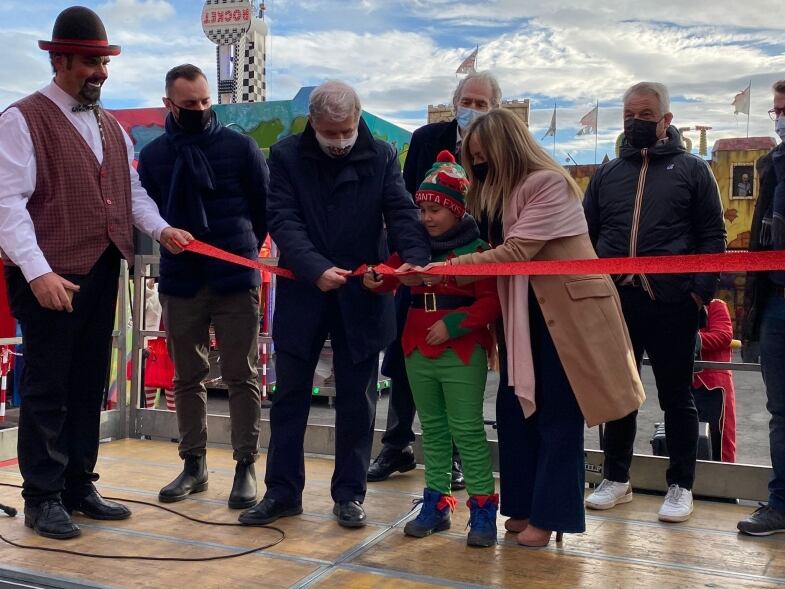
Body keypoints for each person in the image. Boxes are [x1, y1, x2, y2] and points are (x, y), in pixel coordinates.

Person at [0, 6, 192, 539]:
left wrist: (163, 229)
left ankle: (78, 485)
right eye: (90, 62)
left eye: (104, 63)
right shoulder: (21, 119)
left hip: (102, 268)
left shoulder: (110, 126)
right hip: (50, 273)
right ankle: (42, 496)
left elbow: (130, 193)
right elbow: (7, 205)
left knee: (88, 382)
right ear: (60, 61)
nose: (100, 73)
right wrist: (37, 272)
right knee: (47, 386)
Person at [424, 108, 645, 547]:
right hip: (522, 313)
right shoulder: (497, 193)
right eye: (474, 158)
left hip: (567, 315)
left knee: (558, 415)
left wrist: (446, 270)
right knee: (514, 410)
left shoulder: (549, 184)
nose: (479, 165)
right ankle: (523, 506)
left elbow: (516, 252)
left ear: (508, 149)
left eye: (484, 157)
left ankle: (550, 516)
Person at [238, 80, 429, 528]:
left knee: (358, 402)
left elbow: (400, 211)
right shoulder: (286, 155)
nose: (340, 141)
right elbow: (282, 219)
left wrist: (415, 259)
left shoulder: (382, 156)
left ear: (358, 119)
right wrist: (315, 268)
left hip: (363, 295)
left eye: (347, 131)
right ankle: (282, 492)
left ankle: (349, 494)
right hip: (306, 291)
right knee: (289, 398)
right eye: (330, 133)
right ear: (313, 124)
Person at [583, 82, 726, 523]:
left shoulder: (693, 170)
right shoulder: (607, 174)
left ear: (666, 119)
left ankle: (681, 485)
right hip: (616, 300)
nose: (635, 122)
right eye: (629, 115)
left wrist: (698, 293)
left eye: (645, 115)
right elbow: (587, 234)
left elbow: (713, 236)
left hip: (672, 302)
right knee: (619, 393)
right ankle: (616, 478)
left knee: (676, 396)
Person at [137, 64, 269, 510]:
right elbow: (148, 212)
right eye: (189, 103)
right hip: (181, 279)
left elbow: (263, 208)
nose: (200, 108)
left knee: (241, 374)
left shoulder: (240, 147)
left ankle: (246, 464)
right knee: (186, 376)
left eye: (205, 101)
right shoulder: (155, 156)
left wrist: (240, 247)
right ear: (168, 104)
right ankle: (193, 464)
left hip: (234, 277)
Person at [368, 71, 502, 488]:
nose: (472, 109)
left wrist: (480, 254)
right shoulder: (426, 138)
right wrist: (405, 261)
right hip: (420, 262)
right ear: (454, 101)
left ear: (495, 109)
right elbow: (406, 204)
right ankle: (396, 445)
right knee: (404, 360)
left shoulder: (499, 147)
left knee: (460, 383)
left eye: (481, 103)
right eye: (467, 101)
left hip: (472, 264)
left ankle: (457, 460)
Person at [364, 151, 501, 547]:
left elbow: (491, 301)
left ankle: (483, 509)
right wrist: (376, 279)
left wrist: (454, 325)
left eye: (435, 210)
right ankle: (436, 503)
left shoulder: (480, 249)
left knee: (467, 431)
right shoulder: (413, 247)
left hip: (463, 351)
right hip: (416, 348)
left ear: (457, 210)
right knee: (433, 430)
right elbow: (388, 273)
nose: (425, 218)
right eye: (421, 209)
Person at [738, 79, 785, 536]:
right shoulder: (773, 164)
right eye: (777, 111)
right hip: (776, 302)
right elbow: (760, 241)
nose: (780, 119)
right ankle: (781, 504)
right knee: (780, 413)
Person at [692, 299, 736, 462]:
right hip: (686, 386)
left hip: (712, 385)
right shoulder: (679, 307)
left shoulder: (716, 305)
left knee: (715, 439)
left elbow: (724, 335)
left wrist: (692, 340)